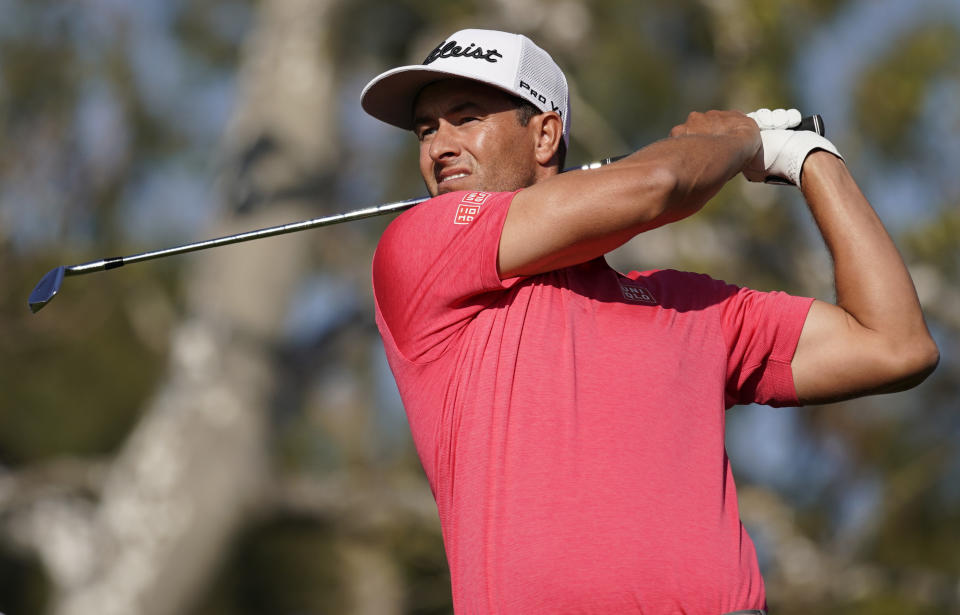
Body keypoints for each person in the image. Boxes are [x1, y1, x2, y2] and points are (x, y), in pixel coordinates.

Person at [360, 28, 938, 614]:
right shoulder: (419, 246)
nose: (440, 147)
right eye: (427, 129)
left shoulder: (685, 305)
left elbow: (895, 345)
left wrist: (811, 158)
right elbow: (657, 186)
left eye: (466, 117)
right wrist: (734, 140)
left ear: (544, 135)